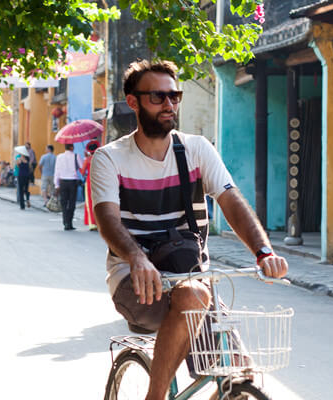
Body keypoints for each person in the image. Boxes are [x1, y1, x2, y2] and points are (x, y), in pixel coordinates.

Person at [90, 60, 288, 400]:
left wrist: (263, 250)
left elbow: (231, 200)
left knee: (239, 374)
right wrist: (137, 258)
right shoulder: (110, 159)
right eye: (158, 97)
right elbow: (108, 220)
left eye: (174, 96)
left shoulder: (196, 150)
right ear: (134, 102)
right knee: (193, 296)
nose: (169, 105)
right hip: (134, 280)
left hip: (192, 278)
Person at [53, 143, 83, 230]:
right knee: (72, 203)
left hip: (62, 181)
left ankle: (65, 221)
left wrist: (56, 184)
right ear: (71, 147)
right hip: (72, 181)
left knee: (64, 202)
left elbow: (57, 171)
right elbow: (82, 167)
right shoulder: (76, 156)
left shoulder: (59, 157)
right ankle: (69, 222)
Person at [81, 140, 100, 230]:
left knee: (90, 202)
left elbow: (82, 172)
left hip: (90, 181)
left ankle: (92, 223)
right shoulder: (100, 158)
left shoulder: (88, 159)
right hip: (100, 181)